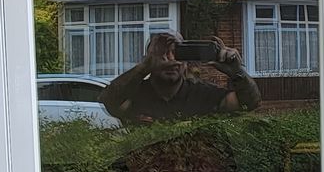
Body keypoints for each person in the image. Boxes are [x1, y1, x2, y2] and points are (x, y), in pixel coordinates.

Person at [101, 32, 261, 124]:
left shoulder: (203, 94)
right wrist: (143, 68)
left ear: (186, 61)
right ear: (149, 59)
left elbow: (249, 103)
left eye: (177, 52)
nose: (171, 59)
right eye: (162, 53)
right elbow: (109, 101)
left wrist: (237, 72)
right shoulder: (135, 94)